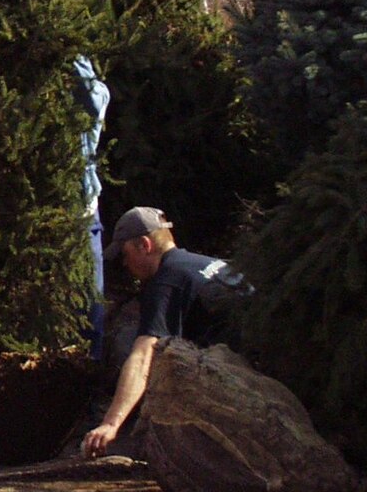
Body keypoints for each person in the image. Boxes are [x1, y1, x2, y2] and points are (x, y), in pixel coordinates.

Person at [82, 206, 250, 459]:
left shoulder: (167, 282)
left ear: (144, 245)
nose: (125, 264)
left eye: (125, 254)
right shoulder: (203, 264)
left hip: (246, 378)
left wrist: (111, 424)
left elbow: (142, 358)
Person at [72, 56, 111, 360]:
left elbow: (91, 96)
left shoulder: (91, 93)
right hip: (74, 209)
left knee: (88, 302)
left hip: (79, 209)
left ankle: (89, 366)